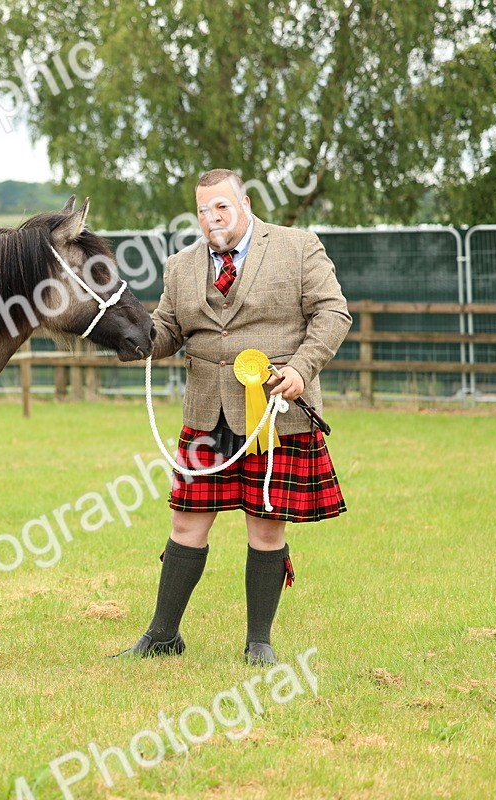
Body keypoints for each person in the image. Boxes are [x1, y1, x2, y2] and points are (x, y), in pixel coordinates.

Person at [118, 169, 352, 665]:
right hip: (206, 416)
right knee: (186, 524)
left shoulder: (297, 246)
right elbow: (166, 331)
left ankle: (259, 642)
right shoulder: (180, 266)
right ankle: (162, 636)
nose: (211, 219)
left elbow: (333, 313)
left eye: (220, 207)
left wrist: (300, 368)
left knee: (266, 528)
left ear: (244, 202)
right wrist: (131, 337)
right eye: (202, 210)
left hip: (274, 411)